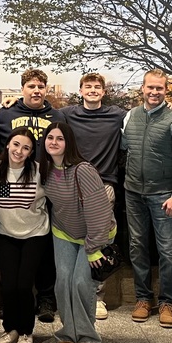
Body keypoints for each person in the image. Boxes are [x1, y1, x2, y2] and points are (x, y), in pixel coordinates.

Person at [121, 69, 172, 328]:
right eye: (150, 87)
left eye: (159, 88)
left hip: (164, 195)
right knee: (137, 246)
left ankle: (167, 302)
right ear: (142, 88)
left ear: (166, 91)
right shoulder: (130, 116)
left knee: (167, 250)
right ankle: (143, 299)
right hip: (133, 192)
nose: (154, 92)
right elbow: (125, 149)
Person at [40, 123, 116, 343]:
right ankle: (67, 333)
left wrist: (94, 248)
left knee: (81, 283)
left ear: (69, 143)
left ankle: (86, 335)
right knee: (63, 282)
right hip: (63, 231)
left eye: (60, 139)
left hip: (94, 234)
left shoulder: (83, 169)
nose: (54, 142)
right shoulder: (45, 169)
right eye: (50, 137)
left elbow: (99, 210)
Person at [57, 72, 126, 320]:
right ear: (81, 90)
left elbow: (144, 115)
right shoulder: (67, 114)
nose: (93, 90)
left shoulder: (117, 115)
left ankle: (97, 297)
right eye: (88, 86)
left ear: (103, 92)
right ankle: (74, 293)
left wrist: (170, 105)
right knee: (72, 238)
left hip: (103, 185)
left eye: (98, 87)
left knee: (101, 241)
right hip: (72, 183)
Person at [0, 68, 58, 323]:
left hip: (46, 185)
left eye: (41, 86)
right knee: (6, 232)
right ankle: (8, 301)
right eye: (31, 86)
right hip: (7, 179)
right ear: (22, 89)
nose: (36, 90)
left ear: (46, 89)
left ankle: (45, 298)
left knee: (43, 246)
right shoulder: (5, 113)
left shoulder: (56, 115)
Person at [0, 128, 50, 343]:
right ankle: (10, 329)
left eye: (26, 147)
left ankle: (26, 331)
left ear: (31, 151)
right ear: (8, 145)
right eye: (16, 144)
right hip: (6, 234)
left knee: (24, 285)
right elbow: (0, 203)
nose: (19, 151)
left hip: (34, 234)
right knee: (8, 285)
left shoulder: (38, 171)